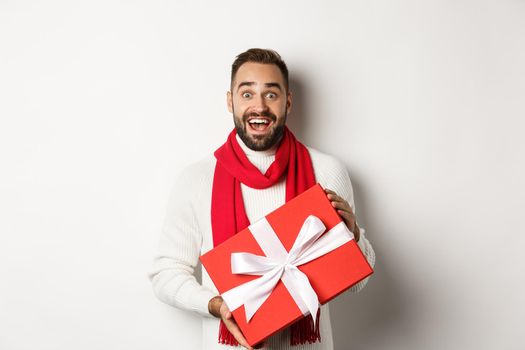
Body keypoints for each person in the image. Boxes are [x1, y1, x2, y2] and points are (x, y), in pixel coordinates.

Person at [149, 48, 376, 350]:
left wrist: (354, 236)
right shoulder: (197, 179)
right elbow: (166, 273)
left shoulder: (327, 171)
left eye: (271, 95)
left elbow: (359, 283)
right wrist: (217, 305)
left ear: (288, 102)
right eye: (247, 94)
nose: (259, 107)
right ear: (230, 101)